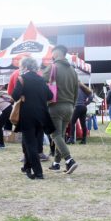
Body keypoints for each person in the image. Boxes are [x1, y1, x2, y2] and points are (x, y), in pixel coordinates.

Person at [12, 57, 55, 180]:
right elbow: (50, 96)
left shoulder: (21, 79)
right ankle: (26, 166)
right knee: (29, 142)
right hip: (42, 115)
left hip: (28, 115)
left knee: (30, 144)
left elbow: (15, 96)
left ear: (24, 67)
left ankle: (38, 172)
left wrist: (23, 95)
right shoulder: (41, 80)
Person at [44, 45, 80, 174]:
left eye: (52, 53)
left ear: (56, 53)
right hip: (70, 106)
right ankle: (56, 163)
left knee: (55, 135)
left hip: (55, 105)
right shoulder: (73, 71)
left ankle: (69, 160)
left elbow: (41, 82)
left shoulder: (53, 67)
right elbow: (77, 91)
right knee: (61, 135)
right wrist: (72, 105)